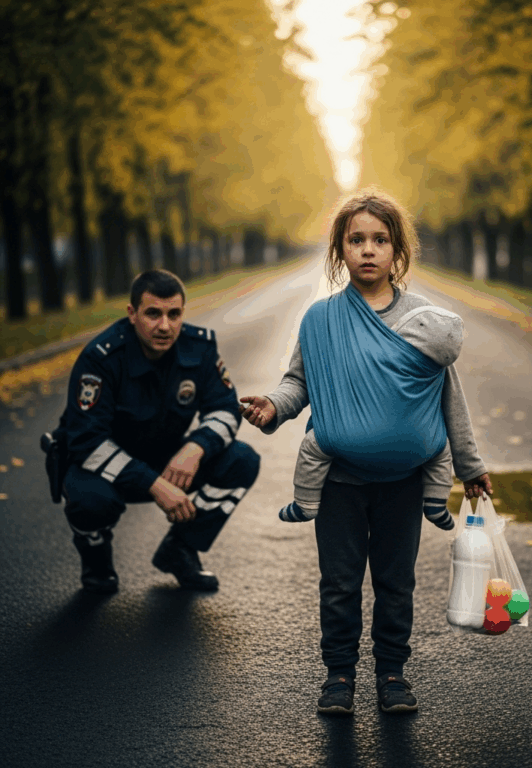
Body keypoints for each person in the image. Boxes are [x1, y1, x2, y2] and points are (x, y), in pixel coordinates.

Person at [240, 189, 492, 715]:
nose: (368, 250)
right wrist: (272, 407)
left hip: (404, 482)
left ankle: (393, 673)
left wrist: (469, 467)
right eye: (357, 240)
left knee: (396, 583)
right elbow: (298, 383)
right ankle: (338, 676)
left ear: (398, 249)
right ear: (340, 250)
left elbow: (451, 397)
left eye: (380, 239)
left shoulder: (425, 323)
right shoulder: (321, 320)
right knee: (339, 583)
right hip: (340, 481)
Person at [43, 269, 260, 594]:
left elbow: (225, 409)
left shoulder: (198, 348)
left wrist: (196, 447)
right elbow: (87, 441)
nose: (165, 326)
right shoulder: (101, 357)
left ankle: (181, 550)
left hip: (166, 457)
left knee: (242, 459)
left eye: (174, 314)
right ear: (132, 314)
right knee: (90, 503)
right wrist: (155, 485)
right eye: (153, 314)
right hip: (103, 467)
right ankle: (97, 560)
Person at [278, 303, 465, 531]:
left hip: (350, 441)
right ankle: (436, 504)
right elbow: (453, 401)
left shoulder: (392, 337)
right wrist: (470, 468)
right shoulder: (436, 357)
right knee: (440, 452)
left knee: (313, 446)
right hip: (420, 444)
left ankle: (305, 503)